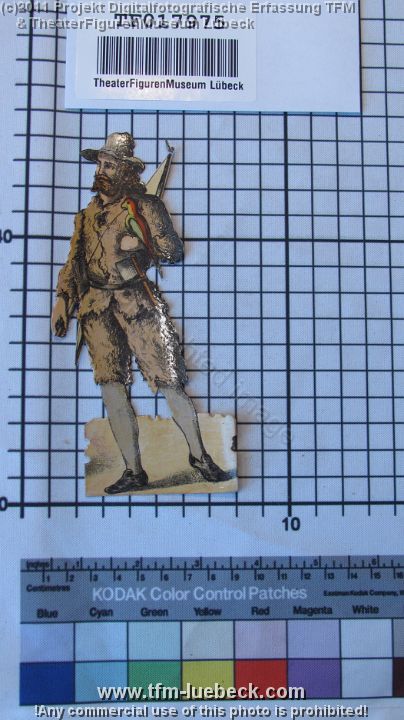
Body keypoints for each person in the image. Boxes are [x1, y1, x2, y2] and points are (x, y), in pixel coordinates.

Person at [51, 132, 227, 494]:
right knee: (112, 389)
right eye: (100, 164)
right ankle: (134, 470)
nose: (101, 171)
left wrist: (143, 242)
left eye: (109, 165)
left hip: (140, 305)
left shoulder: (145, 206)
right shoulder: (85, 216)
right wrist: (62, 302)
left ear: (126, 172)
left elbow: (173, 252)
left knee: (170, 382)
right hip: (96, 309)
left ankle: (200, 457)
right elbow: (73, 264)